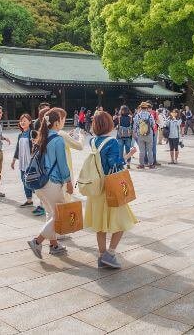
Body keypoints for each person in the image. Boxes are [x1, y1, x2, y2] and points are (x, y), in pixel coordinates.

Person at [84, 111, 138, 269]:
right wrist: (128, 155)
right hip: (109, 188)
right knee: (123, 221)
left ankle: (101, 256)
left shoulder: (93, 141)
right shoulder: (112, 142)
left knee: (100, 225)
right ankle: (111, 253)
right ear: (109, 124)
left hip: (96, 188)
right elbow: (115, 164)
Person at [27, 107, 72, 259]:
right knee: (59, 216)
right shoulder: (58, 139)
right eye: (62, 119)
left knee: (50, 214)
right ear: (57, 122)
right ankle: (37, 241)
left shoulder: (42, 137)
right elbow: (62, 164)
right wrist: (69, 182)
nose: (63, 122)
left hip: (40, 183)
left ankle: (54, 245)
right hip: (52, 182)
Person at [13, 114, 44, 217]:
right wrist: (13, 160)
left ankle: (42, 203)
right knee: (24, 180)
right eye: (21, 121)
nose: (22, 122)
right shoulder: (20, 135)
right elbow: (17, 148)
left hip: (31, 162)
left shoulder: (33, 133)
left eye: (25, 121)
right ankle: (29, 200)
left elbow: (40, 144)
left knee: (33, 181)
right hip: (22, 162)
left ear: (30, 122)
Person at [133, 103, 158, 169]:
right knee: (150, 150)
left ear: (140, 108)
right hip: (149, 135)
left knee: (142, 151)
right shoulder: (150, 115)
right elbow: (153, 125)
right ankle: (151, 164)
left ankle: (141, 164)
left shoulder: (137, 115)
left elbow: (135, 126)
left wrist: (135, 133)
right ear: (146, 108)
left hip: (140, 135)